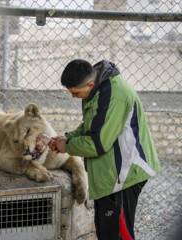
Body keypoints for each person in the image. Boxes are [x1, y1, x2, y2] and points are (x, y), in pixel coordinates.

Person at [49, 59, 160, 240]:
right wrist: (67, 138)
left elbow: (98, 143)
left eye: (76, 93)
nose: (74, 97)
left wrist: (67, 146)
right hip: (110, 175)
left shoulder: (114, 94)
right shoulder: (98, 89)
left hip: (123, 175)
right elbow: (91, 126)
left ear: (90, 84)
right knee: (106, 232)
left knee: (118, 235)